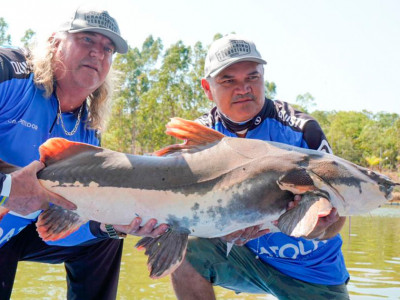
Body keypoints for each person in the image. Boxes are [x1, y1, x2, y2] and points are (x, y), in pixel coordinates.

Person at [0, 6, 168, 300]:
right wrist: (5, 187)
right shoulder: (10, 73)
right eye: (87, 39)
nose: (98, 53)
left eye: (108, 48)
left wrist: (112, 226)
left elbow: (71, 221)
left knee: (105, 240)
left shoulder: (88, 132)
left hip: (13, 233)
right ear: (55, 43)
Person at [171, 34, 350, 299]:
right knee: (184, 251)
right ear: (208, 89)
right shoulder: (199, 137)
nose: (243, 88)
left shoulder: (302, 131)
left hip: (312, 272)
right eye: (228, 80)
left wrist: (321, 228)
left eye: (252, 77)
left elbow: (340, 215)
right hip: (244, 260)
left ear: (263, 78)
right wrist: (221, 230)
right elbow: (180, 209)